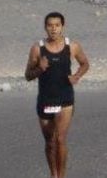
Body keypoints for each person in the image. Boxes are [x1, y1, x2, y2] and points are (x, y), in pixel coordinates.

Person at [25, 12, 89, 178]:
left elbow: (85, 63)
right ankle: (53, 174)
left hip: (65, 99)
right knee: (49, 143)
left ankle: (62, 176)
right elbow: (28, 75)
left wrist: (77, 76)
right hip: (46, 100)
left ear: (63, 26)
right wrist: (40, 68)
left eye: (57, 25)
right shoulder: (37, 48)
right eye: (50, 25)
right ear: (45, 27)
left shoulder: (72, 46)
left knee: (60, 139)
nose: (53, 29)